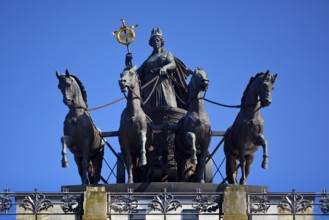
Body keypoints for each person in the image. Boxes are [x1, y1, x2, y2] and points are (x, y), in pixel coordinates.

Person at [126, 28, 188, 110]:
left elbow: (173, 64)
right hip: (149, 87)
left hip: (163, 83)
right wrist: (128, 62)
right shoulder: (148, 60)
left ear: (162, 42)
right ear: (151, 43)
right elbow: (137, 74)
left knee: (169, 106)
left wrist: (165, 67)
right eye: (154, 41)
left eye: (158, 40)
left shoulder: (167, 54)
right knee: (149, 109)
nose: (156, 42)